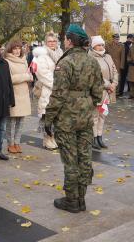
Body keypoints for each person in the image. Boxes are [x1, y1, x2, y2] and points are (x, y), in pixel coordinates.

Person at [44, 24, 104, 213]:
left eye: (65, 38)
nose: (63, 41)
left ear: (70, 41)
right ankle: (81, 200)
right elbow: (97, 92)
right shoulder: (92, 61)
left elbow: (58, 95)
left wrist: (48, 119)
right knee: (84, 158)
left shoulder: (66, 63)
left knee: (70, 160)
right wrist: (86, 105)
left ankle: (72, 200)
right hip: (86, 118)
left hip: (67, 120)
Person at [33, 32, 63, 150]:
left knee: (57, 117)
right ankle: (47, 138)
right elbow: (42, 73)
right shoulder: (42, 56)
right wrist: (57, 84)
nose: (52, 43)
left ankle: (53, 137)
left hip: (60, 91)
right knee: (47, 116)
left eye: (54, 41)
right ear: (46, 43)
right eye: (50, 41)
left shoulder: (60, 53)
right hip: (48, 90)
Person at [89, 36, 118, 149]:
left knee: (103, 115)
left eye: (102, 45)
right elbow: (95, 76)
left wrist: (114, 84)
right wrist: (108, 85)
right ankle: (94, 138)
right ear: (93, 46)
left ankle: (100, 137)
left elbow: (115, 71)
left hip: (108, 92)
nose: (101, 47)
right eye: (98, 45)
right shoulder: (90, 58)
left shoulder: (108, 56)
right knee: (95, 115)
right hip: (97, 91)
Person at [4, 40, 32, 153]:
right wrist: (26, 76)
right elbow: (9, 79)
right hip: (14, 95)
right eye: (14, 48)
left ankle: (17, 142)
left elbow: (29, 75)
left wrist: (29, 76)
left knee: (21, 121)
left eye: (18, 48)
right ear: (10, 49)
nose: (17, 51)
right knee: (12, 121)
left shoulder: (24, 60)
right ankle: (10, 143)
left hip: (24, 94)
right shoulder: (7, 61)